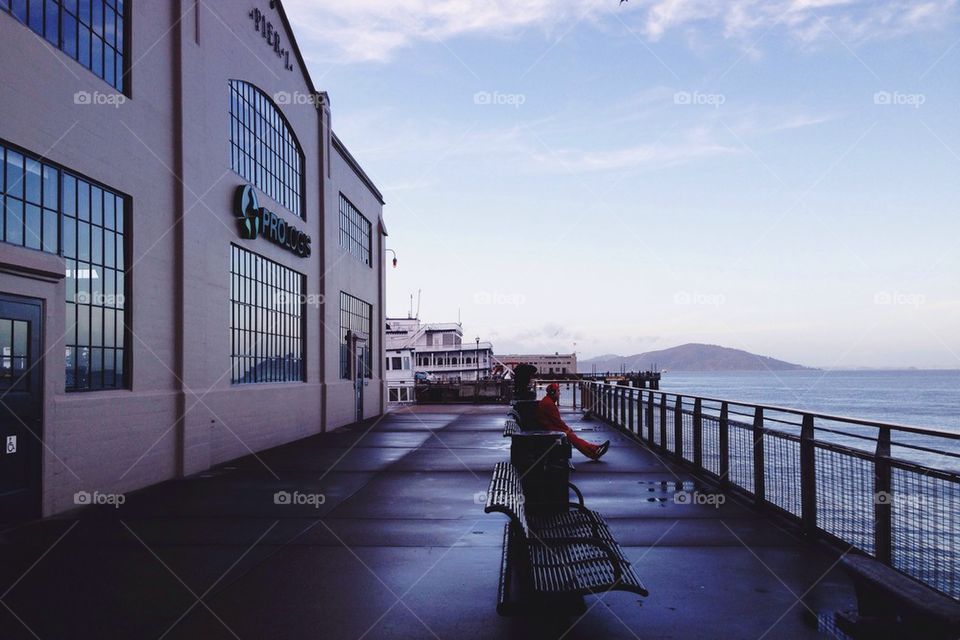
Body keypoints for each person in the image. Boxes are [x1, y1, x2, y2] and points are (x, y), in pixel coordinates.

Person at [537, 383, 610, 460]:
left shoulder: (547, 401)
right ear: (553, 393)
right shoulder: (549, 404)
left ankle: (594, 450)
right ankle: (594, 451)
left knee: (571, 436)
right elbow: (557, 421)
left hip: (547, 427)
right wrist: (568, 428)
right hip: (548, 429)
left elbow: (556, 421)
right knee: (571, 436)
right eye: (558, 391)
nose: (559, 393)